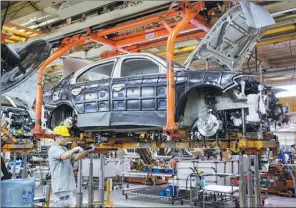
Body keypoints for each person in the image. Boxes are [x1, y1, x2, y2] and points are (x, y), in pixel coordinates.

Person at [48, 125, 95, 207]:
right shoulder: (54, 149)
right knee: (61, 205)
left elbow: (75, 157)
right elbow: (64, 156)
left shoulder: (63, 149)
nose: (66, 139)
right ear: (57, 137)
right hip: (61, 186)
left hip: (67, 186)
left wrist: (87, 150)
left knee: (68, 205)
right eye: (64, 137)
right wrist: (74, 149)